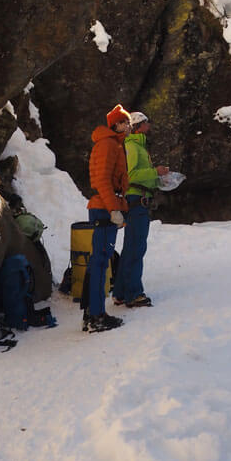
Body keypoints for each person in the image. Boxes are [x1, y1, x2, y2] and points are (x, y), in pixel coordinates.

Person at [111, 111, 170, 309]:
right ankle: (133, 294)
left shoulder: (138, 146)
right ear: (138, 126)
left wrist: (157, 179)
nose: (149, 126)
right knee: (136, 247)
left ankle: (120, 293)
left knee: (131, 247)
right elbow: (132, 175)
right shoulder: (133, 146)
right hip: (137, 201)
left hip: (139, 199)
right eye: (146, 122)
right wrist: (155, 172)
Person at [83, 104, 130, 333]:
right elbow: (103, 181)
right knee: (101, 262)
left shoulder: (113, 144)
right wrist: (114, 209)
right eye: (126, 122)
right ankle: (96, 316)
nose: (129, 125)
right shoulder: (108, 145)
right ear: (117, 124)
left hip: (105, 206)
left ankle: (92, 313)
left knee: (99, 262)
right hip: (104, 208)